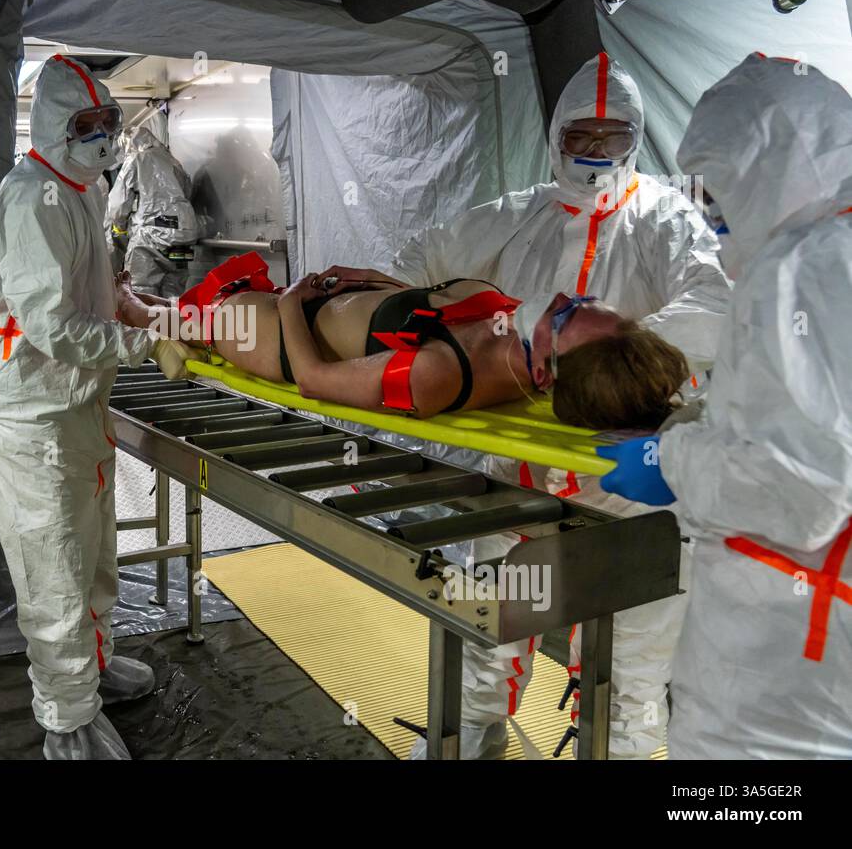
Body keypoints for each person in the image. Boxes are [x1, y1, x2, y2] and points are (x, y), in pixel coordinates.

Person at [391, 53, 732, 759]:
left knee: (630, 670)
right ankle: (471, 741)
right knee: (488, 628)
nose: (598, 150)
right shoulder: (511, 218)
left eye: (614, 136)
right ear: (557, 134)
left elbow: (719, 307)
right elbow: (410, 271)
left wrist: (608, 347)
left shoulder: (665, 219)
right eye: (584, 134)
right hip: (516, 472)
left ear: (635, 138)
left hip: (632, 481)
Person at [599, 53, 852, 759]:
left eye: (724, 191)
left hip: (780, 664)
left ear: (770, 163)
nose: (717, 219)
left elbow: (798, 492)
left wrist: (671, 460)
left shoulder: (804, 266)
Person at [0, 55, 192, 760]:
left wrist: (139, 308)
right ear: (54, 129)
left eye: (107, 123)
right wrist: (143, 345)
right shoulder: (34, 198)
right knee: (53, 562)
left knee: (92, 548)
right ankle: (67, 718)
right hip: (27, 413)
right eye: (85, 125)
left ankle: (91, 666)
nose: (100, 136)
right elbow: (52, 327)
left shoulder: (84, 190)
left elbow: (103, 280)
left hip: (73, 403)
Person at [116, 254, 688, 430]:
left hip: (281, 340)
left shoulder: (439, 377)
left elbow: (314, 381)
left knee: (188, 314)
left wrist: (292, 303)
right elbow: (421, 301)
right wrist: (373, 284)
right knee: (197, 309)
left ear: (545, 374)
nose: (562, 299)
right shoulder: (508, 326)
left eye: (564, 318)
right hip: (315, 306)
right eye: (580, 300)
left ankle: (138, 314)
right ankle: (161, 319)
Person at [108, 125, 199, 298]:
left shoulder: (136, 158)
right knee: (174, 288)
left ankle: (146, 325)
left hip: (153, 233)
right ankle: (172, 323)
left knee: (139, 290)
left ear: (128, 144)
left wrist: (119, 227)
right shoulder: (172, 160)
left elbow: (118, 202)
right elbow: (187, 191)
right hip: (185, 236)